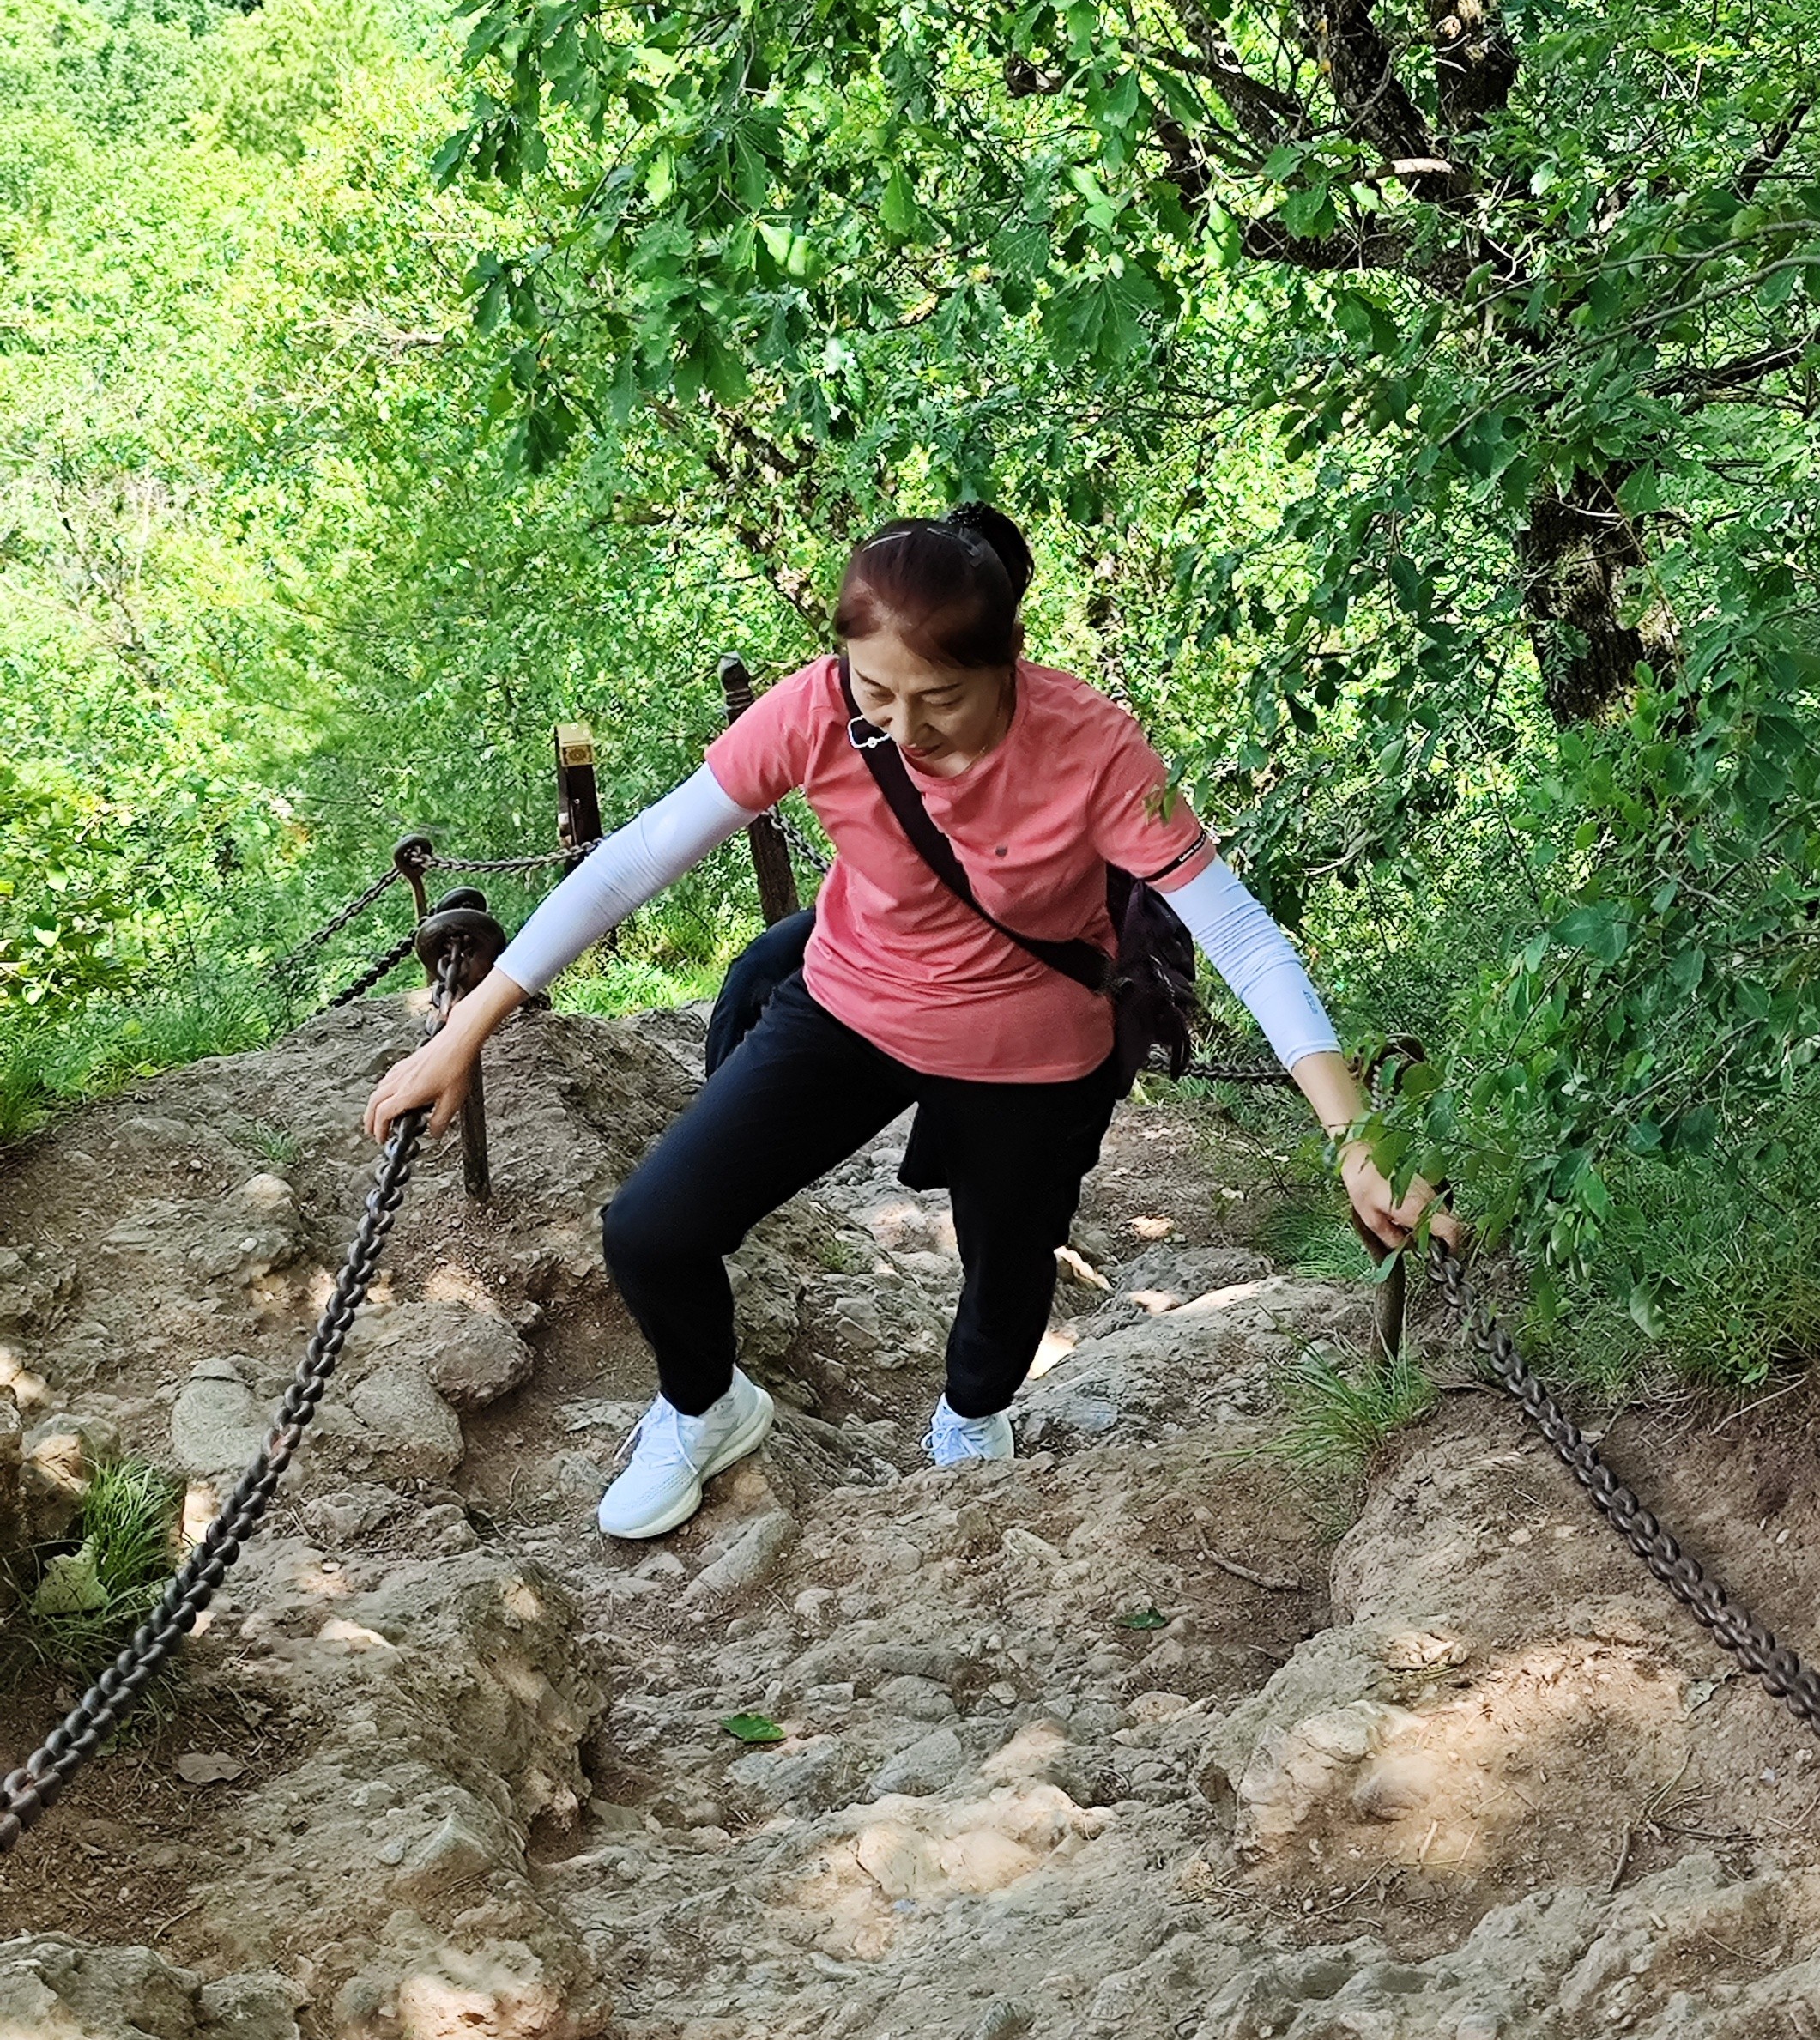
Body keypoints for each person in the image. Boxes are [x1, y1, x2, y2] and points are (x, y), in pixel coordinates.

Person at [365, 504, 1444, 1537]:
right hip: (850, 1003)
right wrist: (464, 1031)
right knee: (651, 1228)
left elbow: (1245, 939)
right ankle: (705, 1407)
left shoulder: (1093, 750)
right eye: (873, 691)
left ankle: (969, 1419)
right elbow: (638, 859)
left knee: (1007, 1264)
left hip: (1031, 1048)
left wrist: (1354, 1139)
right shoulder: (812, 711)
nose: (900, 726)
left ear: (1005, 665)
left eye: (938, 699)